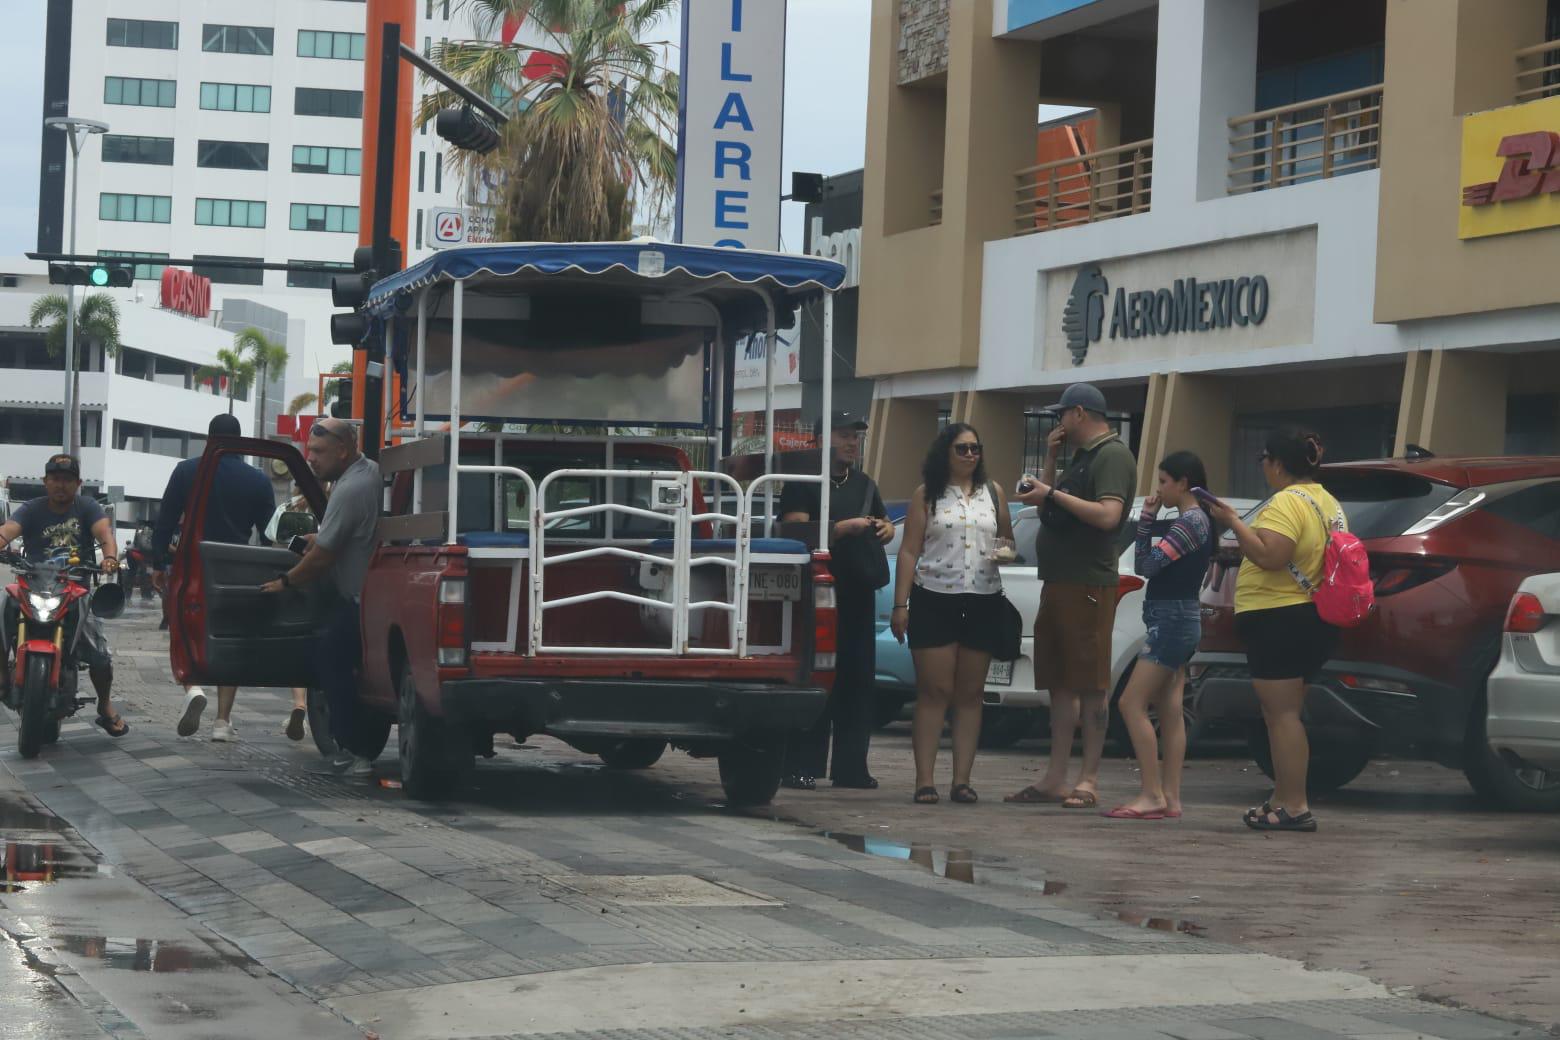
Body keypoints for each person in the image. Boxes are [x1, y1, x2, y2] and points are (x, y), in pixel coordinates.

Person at [1005, 382, 1137, 810]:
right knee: (1060, 683)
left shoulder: (1112, 455)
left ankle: (1089, 779)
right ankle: (1055, 778)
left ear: (1079, 413)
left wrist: (1052, 493)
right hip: (1059, 581)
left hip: (1088, 584)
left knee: (1091, 685)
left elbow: (1109, 515)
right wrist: (1049, 462)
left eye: (1063, 414)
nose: (1059, 421)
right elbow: (1044, 507)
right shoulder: (1080, 457)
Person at [1208, 427, 1344, 833]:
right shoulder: (1328, 501)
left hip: (1281, 617)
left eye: (1263, 460)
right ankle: (1281, 799)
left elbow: (1271, 555)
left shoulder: (1287, 501)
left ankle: (1295, 804)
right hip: (1309, 617)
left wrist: (1232, 519)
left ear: (1277, 463)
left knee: (1282, 715)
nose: (1263, 467)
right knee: (1281, 713)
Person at [890, 423, 1014, 805]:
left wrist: (1005, 551)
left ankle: (962, 780)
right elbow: (909, 550)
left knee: (970, 693)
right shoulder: (927, 495)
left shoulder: (994, 493)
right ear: (945, 452)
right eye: (962, 449)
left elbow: (1006, 539)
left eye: (976, 448)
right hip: (934, 597)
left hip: (982, 597)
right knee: (934, 691)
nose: (971, 455)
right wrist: (901, 604)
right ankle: (924, 781)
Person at [778, 412, 894, 791]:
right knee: (817, 678)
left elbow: (883, 522)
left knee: (859, 681)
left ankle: (852, 768)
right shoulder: (803, 483)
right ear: (820, 439)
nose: (851, 444)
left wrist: (884, 528)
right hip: (817, 594)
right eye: (844, 436)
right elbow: (796, 531)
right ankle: (801, 765)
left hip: (859, 593)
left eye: (855, 437)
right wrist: (844, 529)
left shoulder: (864, 483)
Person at [261, 418, 382, 777]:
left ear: (343, 449)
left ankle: (354, 748)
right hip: (366, 597)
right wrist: (319, 538)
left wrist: (285, 581)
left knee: (329, 657)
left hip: (361, 602)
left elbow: (323, 557)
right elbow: (340, 538)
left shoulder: (350, 488)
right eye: (308, 451)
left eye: (317, 451)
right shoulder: (364, 474)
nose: (309, 458)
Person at [1103, 451, 1215, 821]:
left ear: (1183, 483)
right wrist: (1150, 519)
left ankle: (1151, 793)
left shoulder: (1189, 522)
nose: (1159, 489)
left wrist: (1147, 522)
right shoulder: (1199, 521)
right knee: (1169, 708)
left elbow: (1147, 565)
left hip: (1170, 620)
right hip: (1179, 617)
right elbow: (1146, 565)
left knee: (1130, 703)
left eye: (1164, 481)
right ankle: (1170, 796)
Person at [152, 413, 277, 743]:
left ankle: (192, 687)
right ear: (240, 442)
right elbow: (270, 534)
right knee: (230, 639)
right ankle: (222, 721)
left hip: (192, 564)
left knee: (185, 630)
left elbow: (165, 521)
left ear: (209, 439)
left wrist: (158, 562)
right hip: (236, 567)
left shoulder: (185, 471)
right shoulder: (258, 480)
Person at [0, 454, 127, 737]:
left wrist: (109, 556)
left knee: (100, 654)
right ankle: (2, 675)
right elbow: (7, 531)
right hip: (32, 585)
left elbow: (105, 533)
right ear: (45, 482)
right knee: (3, 604)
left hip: (74, 590)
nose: (61, 485)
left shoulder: (88, 507)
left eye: (67, 480)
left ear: (78, 484)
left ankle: (105, 706)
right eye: (55, 479)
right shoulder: (31, 509)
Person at [265, 483, 315, 739]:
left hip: (292, 579)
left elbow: (273, 542)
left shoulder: (286, 509)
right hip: (321, 582)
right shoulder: (327, 509)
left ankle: (299, 704)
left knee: (295, 644)